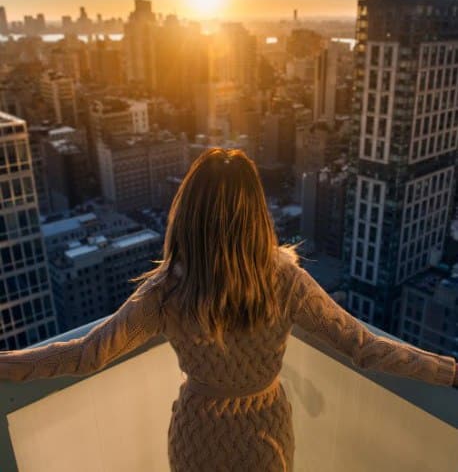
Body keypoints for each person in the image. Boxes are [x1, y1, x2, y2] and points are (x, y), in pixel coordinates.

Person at [0, 148, 457, 471]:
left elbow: (86, 355)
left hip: (196, 438)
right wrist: (450, 372)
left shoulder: (167, 291)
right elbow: (365, 348)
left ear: (189, 212)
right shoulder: (286, 281)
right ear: (256, 213)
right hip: (265, 436)